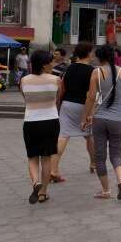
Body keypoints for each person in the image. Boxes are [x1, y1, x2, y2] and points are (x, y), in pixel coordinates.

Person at [83, 45, 121, 200]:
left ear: (99, 57)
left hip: (101, 119)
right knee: (117, 154)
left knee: (100, 156)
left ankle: (106, 190)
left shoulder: (97, 72)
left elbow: (91, 97)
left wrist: (85, 117)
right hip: (120, 118)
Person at [50, 42, 96, 182]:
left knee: (63, 136)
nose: (93, 54)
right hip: (84, 106)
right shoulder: (93, 71)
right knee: (90, 136)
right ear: (88, 54)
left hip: (67, 104)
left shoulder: (68, 68)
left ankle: (53, 169)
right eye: (92, 52)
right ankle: (93, 163)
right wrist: (91, 113)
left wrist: (59, 105)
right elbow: (92, 94)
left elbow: (62, 89)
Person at [20, 50, 60, 204]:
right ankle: (43, 192)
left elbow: (26, 100)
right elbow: (57, 100)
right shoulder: (56, 79)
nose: (53, 63)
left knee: (32, 156)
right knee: (47, 157)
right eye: (51, 61)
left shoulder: (24, 80)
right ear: (44, 65)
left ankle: (36, 182)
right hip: (50, 121)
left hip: (31, 122)